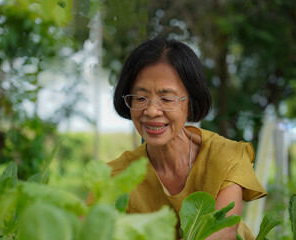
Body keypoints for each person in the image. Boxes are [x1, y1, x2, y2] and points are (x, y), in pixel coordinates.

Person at [86, 37, 266, 240]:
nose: (152, 111)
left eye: (167, 99)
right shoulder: (116, 176)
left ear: (191, 101)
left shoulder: (226, 157)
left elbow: (221, 233)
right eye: (141, 97)